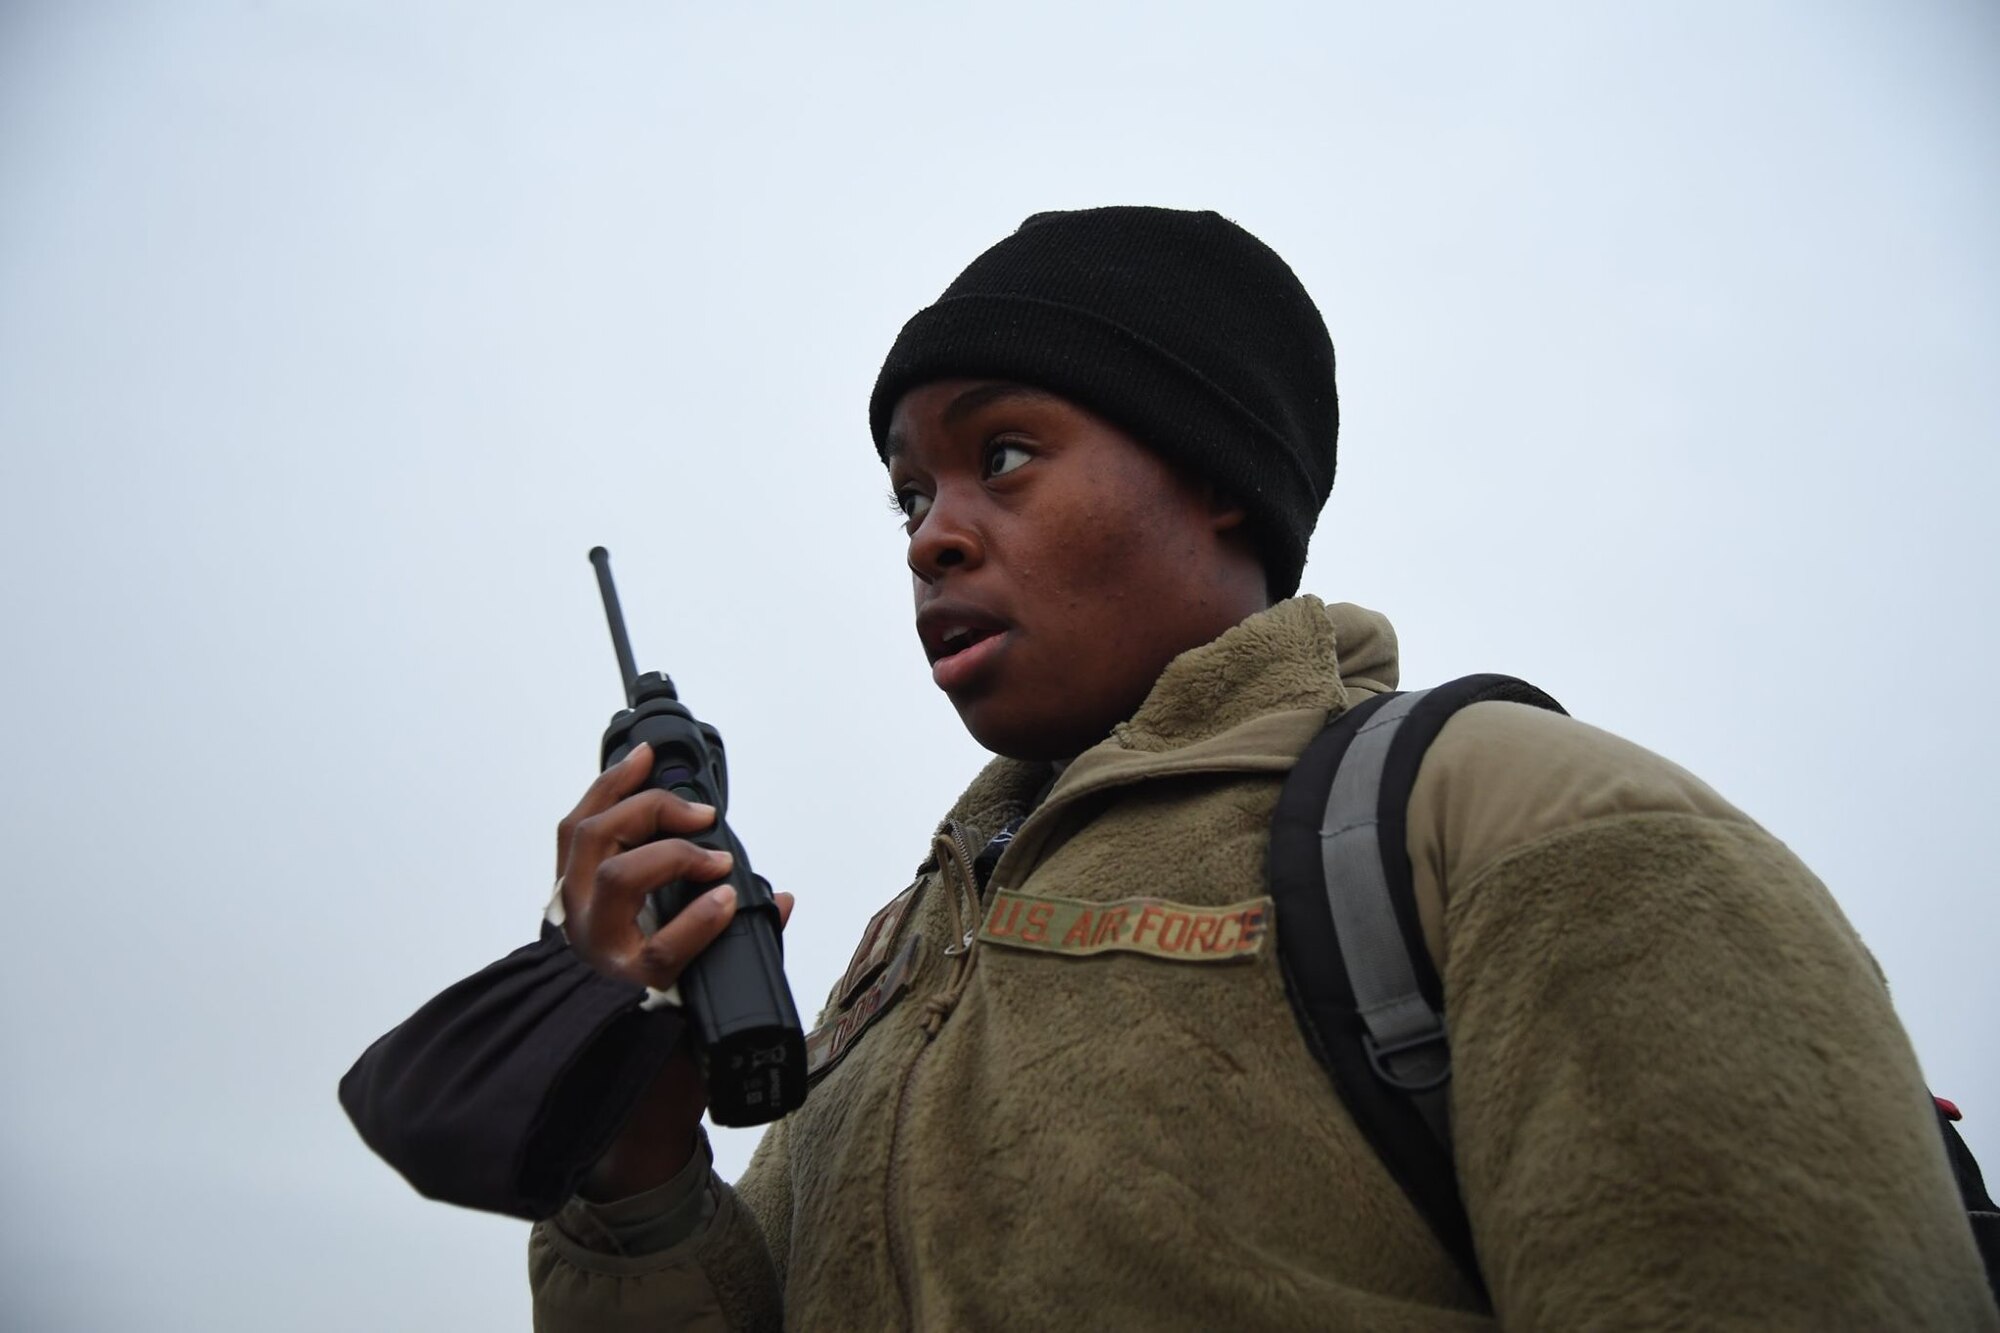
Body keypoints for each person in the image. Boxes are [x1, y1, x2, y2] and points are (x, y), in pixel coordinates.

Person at [516, 207, 1995, 1329]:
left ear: (1218, 471)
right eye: (909, 492)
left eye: (1005, 456)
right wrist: (632, 1165)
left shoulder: (1515, 824)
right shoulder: (886, 973)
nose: (929, 534)